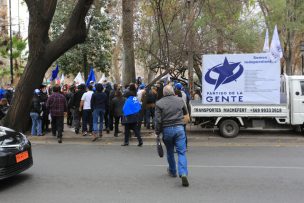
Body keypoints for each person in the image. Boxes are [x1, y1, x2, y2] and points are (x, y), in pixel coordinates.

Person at [155, 84, 189, 187]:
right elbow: (186, 114)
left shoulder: (159, 103)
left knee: (170, 152)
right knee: (181, 153)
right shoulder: (180, 100)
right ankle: (183, 173)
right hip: (179, 129)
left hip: (167, 130)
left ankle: (173, 171)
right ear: (173, 91)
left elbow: (158, 120)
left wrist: (157, 132)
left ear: (164, 93)